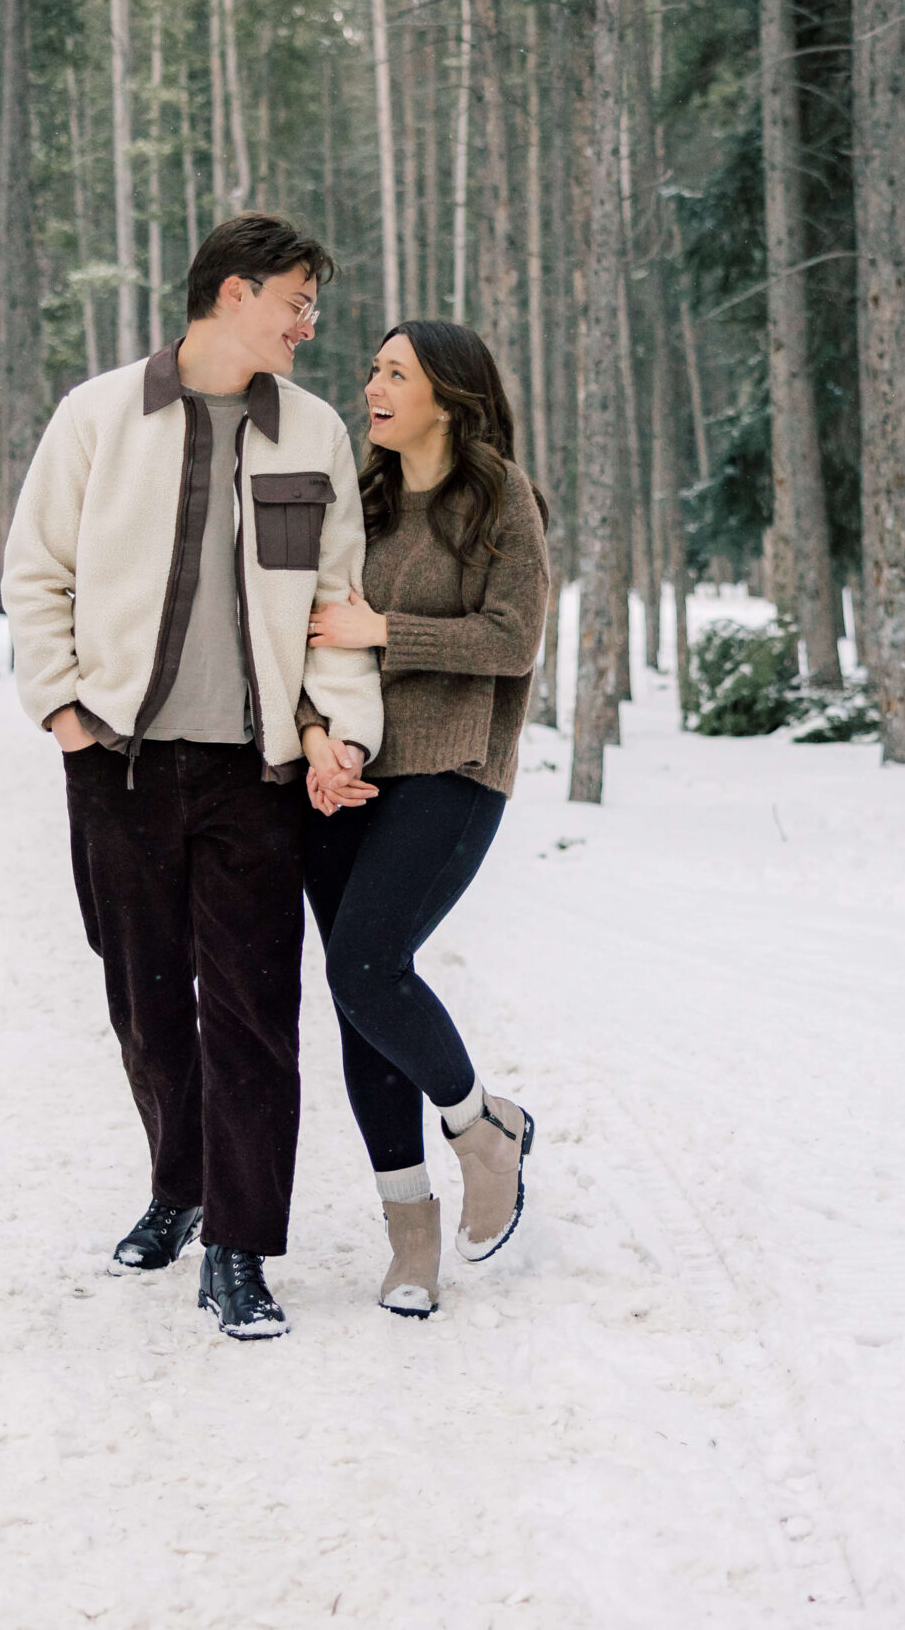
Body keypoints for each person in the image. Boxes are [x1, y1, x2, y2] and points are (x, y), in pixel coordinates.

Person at [4, 214, 383, 1341]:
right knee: (146, 998)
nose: (309, 326)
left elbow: (335, 603)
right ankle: (181, 1184)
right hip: (118, 762)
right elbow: (36, 572)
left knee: (256, 1011)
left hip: (255, 776)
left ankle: (240, 1246)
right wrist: (65, 713)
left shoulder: (312, 432)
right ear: (232, 292)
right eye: (296, 302)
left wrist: (339, 731)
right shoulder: (98, 415)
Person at [301, 319, 549, 1320]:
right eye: (373, 369)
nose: (372, 385)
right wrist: (316, 736)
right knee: (358, 997)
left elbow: (512, 638)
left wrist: (384, 630)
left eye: (395, 372)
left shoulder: (501, 499)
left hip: (453, 763)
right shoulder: (355, 504)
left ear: (448, 397)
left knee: (366, 965)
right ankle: (410, 1230)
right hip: (346, 768)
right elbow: (310, 634)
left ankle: (479, 1128)